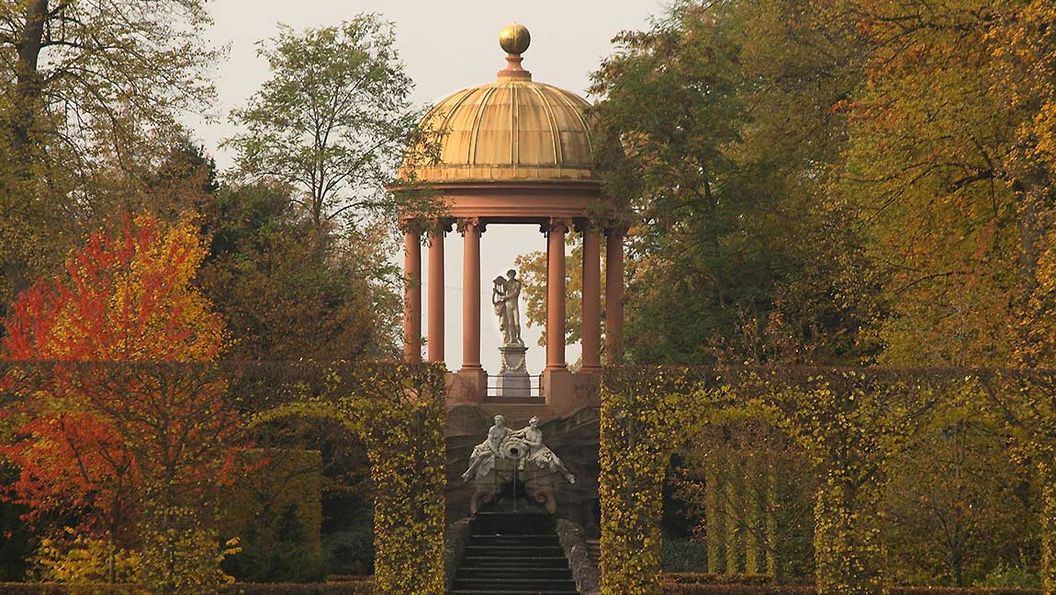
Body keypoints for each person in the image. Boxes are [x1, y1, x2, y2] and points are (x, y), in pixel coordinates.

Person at [511, 416, 575, 484]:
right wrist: (511, 435)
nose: (535, 425)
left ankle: (567, 474)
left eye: (536, 424)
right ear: (531, 423)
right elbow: (518, 433)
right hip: (533, 454)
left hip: (541, 450)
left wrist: (527, 442)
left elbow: (538, 444)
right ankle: (522, 463)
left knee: (557, 463)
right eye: (533, 424)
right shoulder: (527, 430)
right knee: (546, 462)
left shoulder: (539, 432)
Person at [462, 415, 511, 482]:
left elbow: (515, 433)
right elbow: (489, 441)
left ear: (502, 421)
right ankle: (469, 472)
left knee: (482, 455)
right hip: (489, 447)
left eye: (498, 421)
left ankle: (469, 473)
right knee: (480, 455)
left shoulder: (505, 430)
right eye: (495, 421)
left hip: (497, 448)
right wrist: (495, 451)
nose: (496, 422)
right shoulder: (492, 429)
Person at [503, 269, 522, 345]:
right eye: (510, 274)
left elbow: (516, 293)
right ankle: (512, 338)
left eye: (512, 274)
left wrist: (506, 296)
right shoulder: (506, 284)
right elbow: (502, 292)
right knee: (510, 323)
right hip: (508, 304)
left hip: (514, 304)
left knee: (517, 323)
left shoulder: (517, 283)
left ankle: (519, 337)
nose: (511, 276)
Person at [492, 275, 509, 344]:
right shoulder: (500, 304)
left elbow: (503, 297)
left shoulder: (504, 304)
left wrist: (497, 292)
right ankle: (506, 339)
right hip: (503, 316)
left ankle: (507, 339)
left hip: (505, 317)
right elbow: (493, 302)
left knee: (504, 326)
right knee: (503, 327)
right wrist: (495, 293)